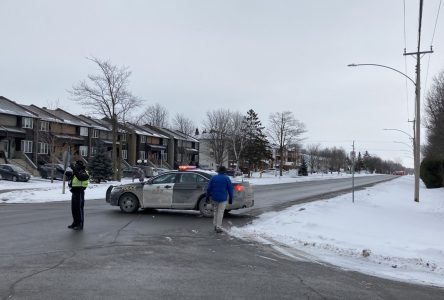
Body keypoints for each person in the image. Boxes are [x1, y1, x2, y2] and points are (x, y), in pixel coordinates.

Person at [206, 166, 234, 233]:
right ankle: (218, 227)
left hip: (214, 198)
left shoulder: (213, 178)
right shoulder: (226, 178)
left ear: (218, 171)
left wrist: (207, 196)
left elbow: (209, 188)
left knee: (215, 211)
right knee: (220, 212)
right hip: (223, 198)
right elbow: (230, 189)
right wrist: (231, 198)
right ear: (224, 171)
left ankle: (215, 225)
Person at [67, 160, 89, 230]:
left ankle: (80, 224)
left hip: (80, 192)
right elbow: (70, 176)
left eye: (77, 165)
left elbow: (80, 177)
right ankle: (75, 223)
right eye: (75, 165)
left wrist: (74, 169)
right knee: (74, 209)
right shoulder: (76, 172)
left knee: (79, 209)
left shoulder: (84, 172)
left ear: (80, 165)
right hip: (74, 192)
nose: (76, 166)